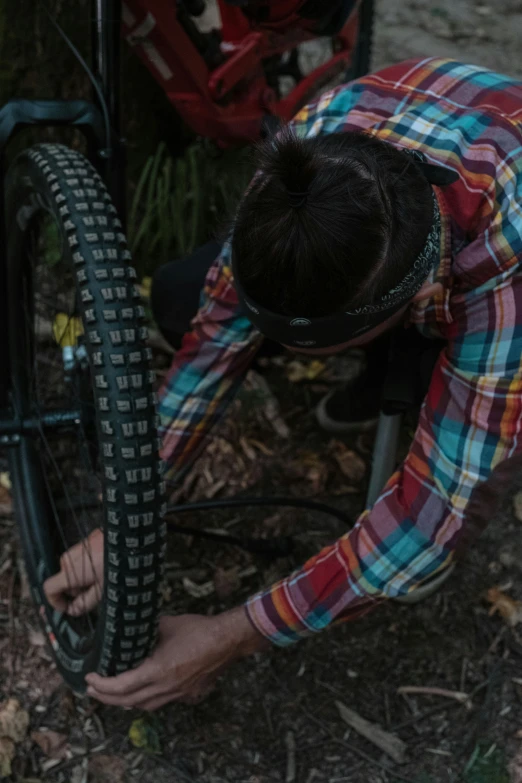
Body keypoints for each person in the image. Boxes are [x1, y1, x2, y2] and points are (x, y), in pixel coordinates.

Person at [44, 57, 522, 710]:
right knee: (183, 298)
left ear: (405, 302)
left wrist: (232, 634)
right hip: (419, 179)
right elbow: (213, 349)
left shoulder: (504, 257)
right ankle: (384, 371)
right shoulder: (306, 154)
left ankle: (401, 376)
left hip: (493, 236)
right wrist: (126, 520)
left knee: (480, 446)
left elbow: (427, 523)